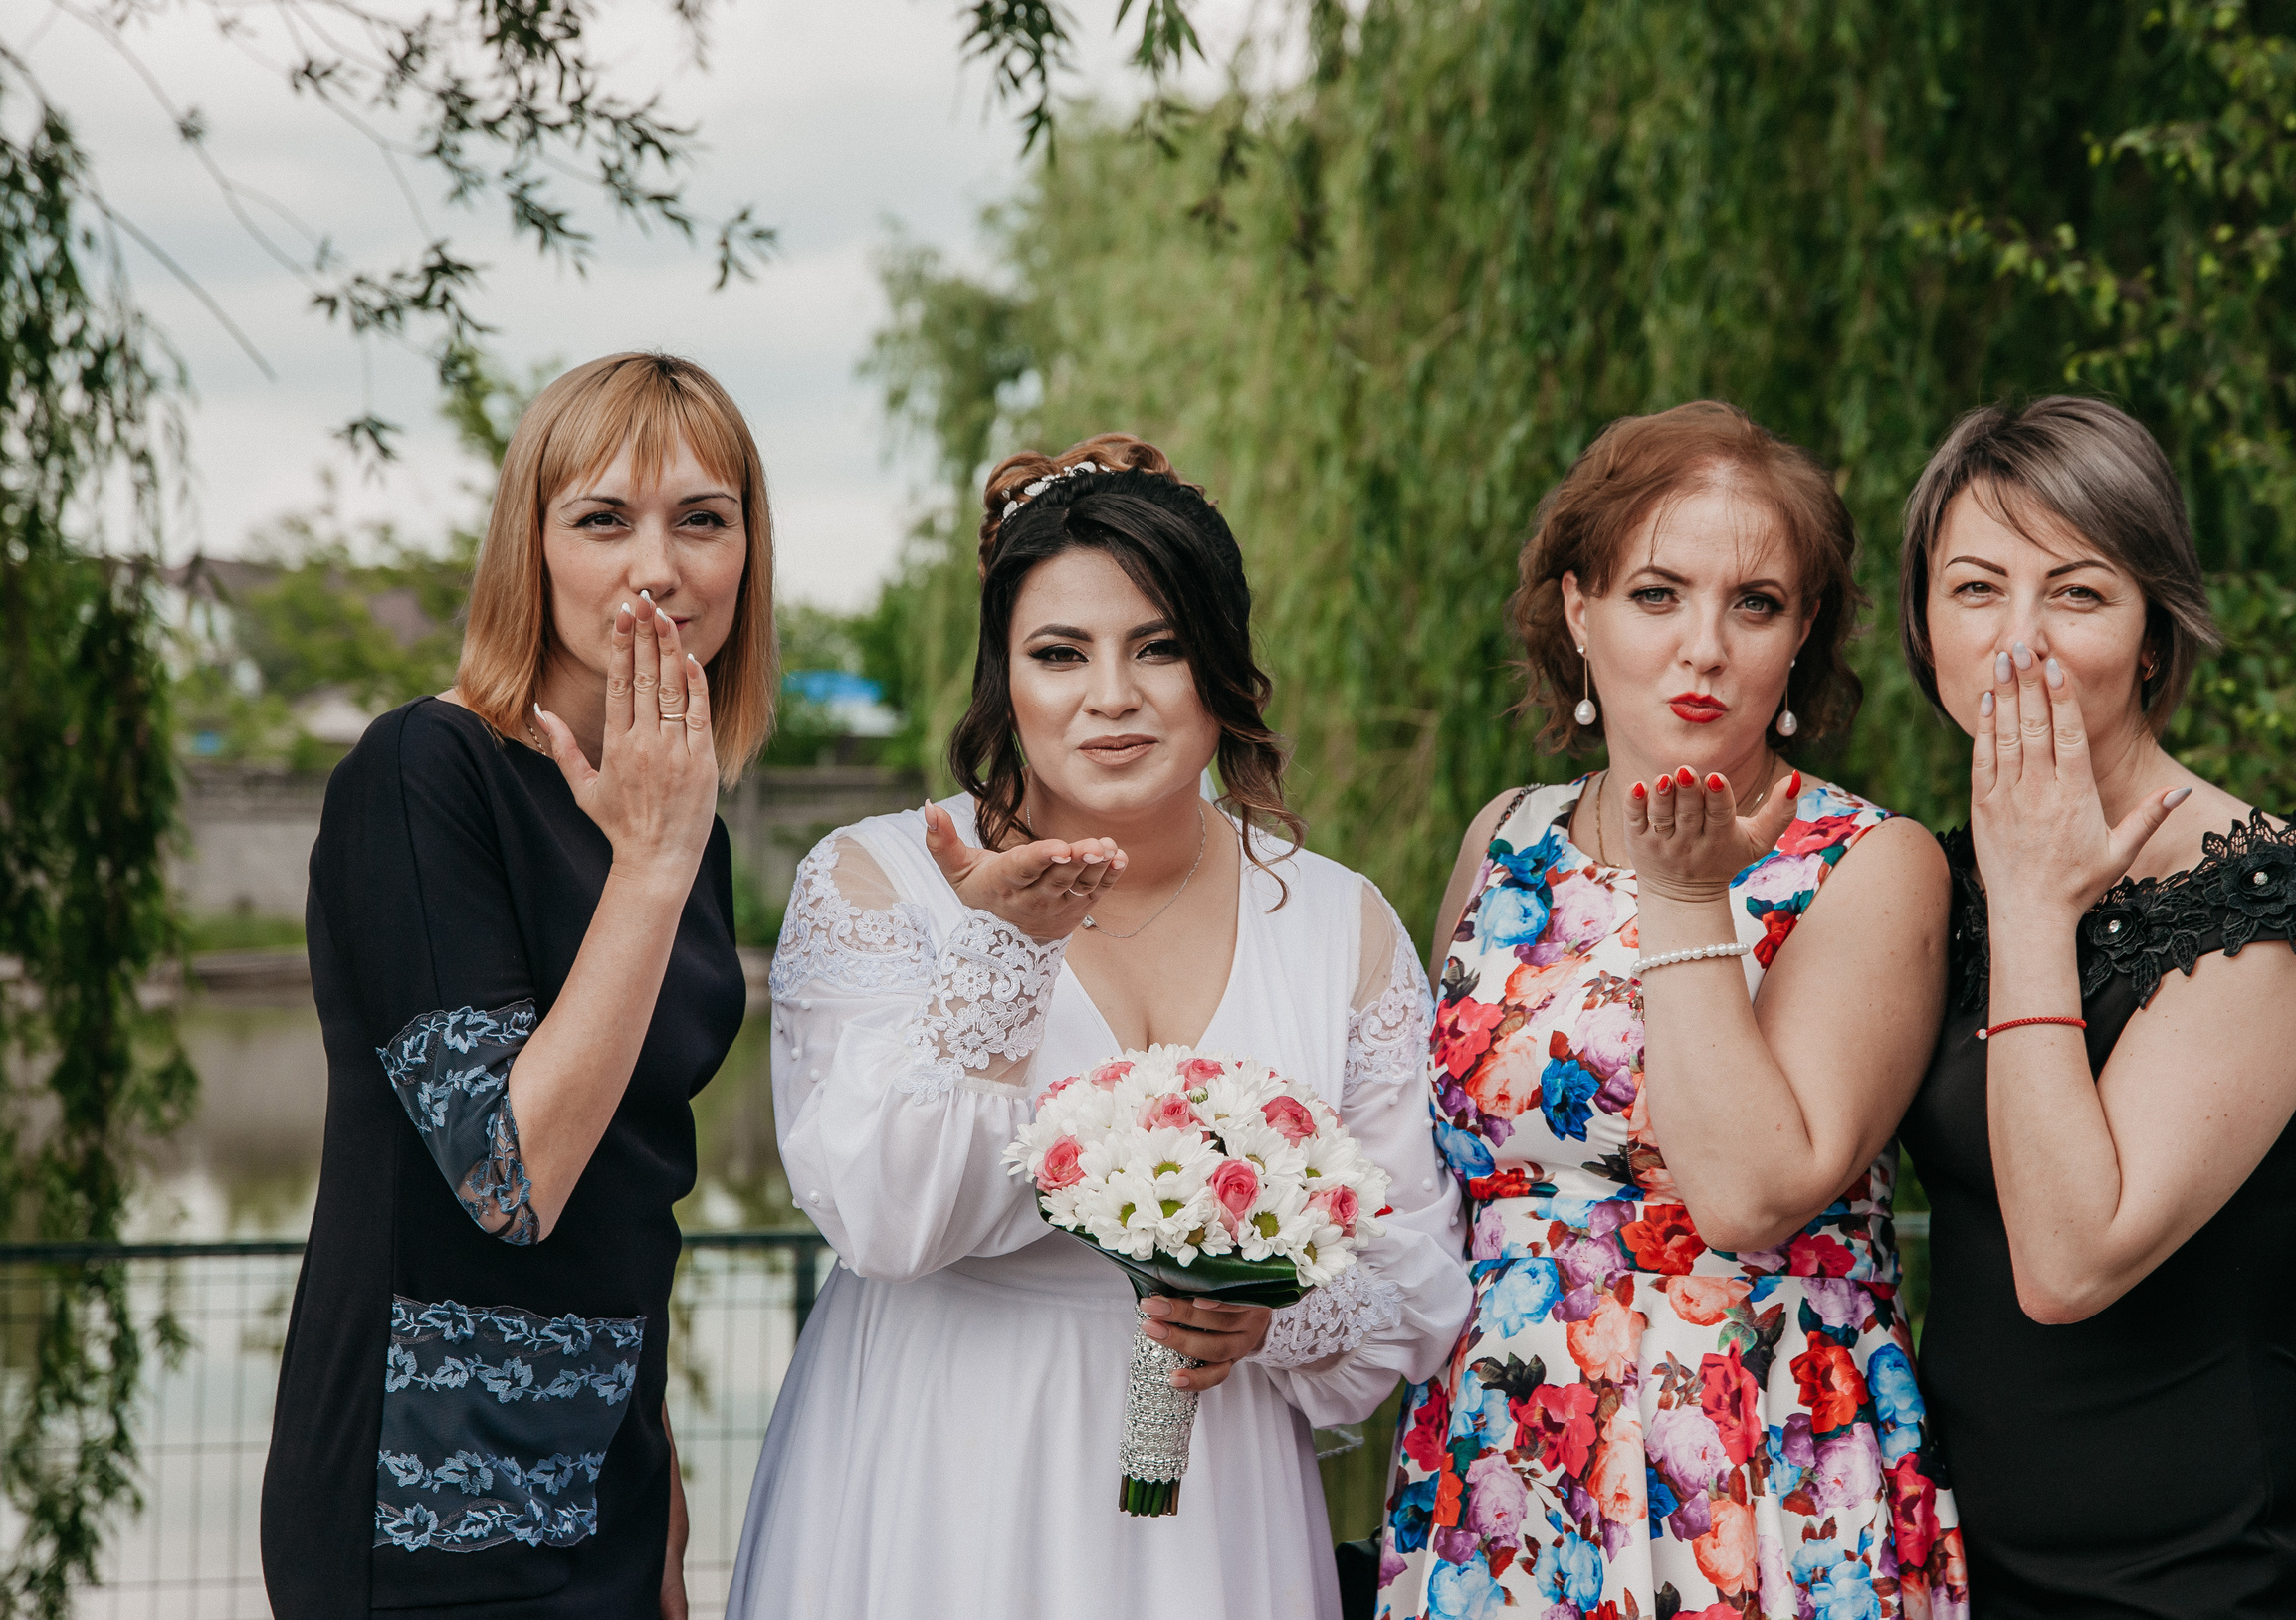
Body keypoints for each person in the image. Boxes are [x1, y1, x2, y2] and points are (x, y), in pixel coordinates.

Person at [724, 434, 1471, 1619]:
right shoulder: (875, 881)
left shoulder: (1341, 921)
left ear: (1223, 670)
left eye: (1159, 648)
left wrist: (1265, 1310)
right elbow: (883, 1219)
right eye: (1059, 652)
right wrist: (1003, 955)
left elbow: (1417, 1274)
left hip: (1216, 1490)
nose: (1111, 696)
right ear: (1003, 676)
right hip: (942, 1455)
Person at [1380, 401, 1971, 1620]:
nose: (1704, 644)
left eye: (1754, 602)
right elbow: (1424, 1178)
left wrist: (1686, 894)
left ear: (1802, 633)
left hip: (1755, 1475)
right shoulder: (1505, 839)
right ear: (1577, 609)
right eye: (1657, 593)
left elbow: (1750, 1189)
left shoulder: (1868, 862)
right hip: (1502, 1473)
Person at [260, 352, 775, 1618]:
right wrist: (649, 865)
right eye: (604, 519)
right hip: (424, 1503)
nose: (656, 567)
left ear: (748, 558)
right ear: (529, 550)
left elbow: (633, 1175)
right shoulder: (420, 773)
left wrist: (653, 1477)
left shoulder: (675, 814)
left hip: (605, 1479)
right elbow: (511, 1173)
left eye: (702, 520)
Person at [1892, 396, 2296, 1616]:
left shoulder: (2264, 894)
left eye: (2079, 592)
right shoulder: (1937, 883)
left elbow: (2069, 1259)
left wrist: (2040, 909)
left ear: (2155, 631)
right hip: (1950, 1567)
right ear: (1921, 622)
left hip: (2200, 1577)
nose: (2019, 639)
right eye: (1976, 587)